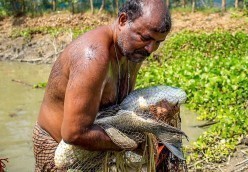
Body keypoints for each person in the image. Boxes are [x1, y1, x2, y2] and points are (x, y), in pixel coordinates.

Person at [32, 0, 177, 171]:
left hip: (95, 142)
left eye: (158, 42)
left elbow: (117, 107)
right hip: (57, 148)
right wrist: (134, 143)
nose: (151, 49)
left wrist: (154, 115)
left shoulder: (132, 51)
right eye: (146, 38)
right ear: (123, 20)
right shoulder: (93, 57)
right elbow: (74, 133)